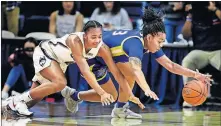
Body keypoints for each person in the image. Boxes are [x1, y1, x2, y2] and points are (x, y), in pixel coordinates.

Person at [62, 7, 212, 119]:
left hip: (109, 56)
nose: (161, 44)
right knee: (116, 90)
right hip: (92, 56)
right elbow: (136, 70)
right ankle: (76, 96)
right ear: (150, 37)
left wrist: (196, 75)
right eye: (160, 41)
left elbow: (170, 65)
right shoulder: (135, 44)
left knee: (125, 78)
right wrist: (146, 89)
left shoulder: (149, 41)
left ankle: (118, 108)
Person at [5, 20, 143, 117]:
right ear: (85, 35)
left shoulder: (103, 48)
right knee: (60, 83)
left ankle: (7, 106)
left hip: (61, 62)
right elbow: (85, 71)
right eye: (93, 37)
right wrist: (101, 92)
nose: (97, 40)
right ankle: (16, 101)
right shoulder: (75, 41)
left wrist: (129, 94)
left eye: (100, 36)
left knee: (33, 99)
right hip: (46, 52)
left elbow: (116, 72)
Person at [182, 2, 221, 107]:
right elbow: (185, 35)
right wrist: (189, 17)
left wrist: (215, 9)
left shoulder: (217, 11)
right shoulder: (195, 15)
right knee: (187, 62)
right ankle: (190, 98)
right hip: (200, 51)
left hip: (218, 50)